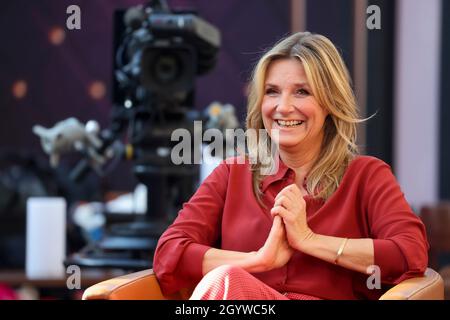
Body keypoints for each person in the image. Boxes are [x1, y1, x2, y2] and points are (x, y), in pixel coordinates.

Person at [153, 31, 429, 300]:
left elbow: (410, 254)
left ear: (329, 103)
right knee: (227, 281)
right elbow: (170, 253)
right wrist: (259, 260)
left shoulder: (367, 176)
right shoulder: (231, 174)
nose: (283, 107)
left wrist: (309, 240)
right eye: (272, 92)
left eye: (302, 92)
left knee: (227, 281)